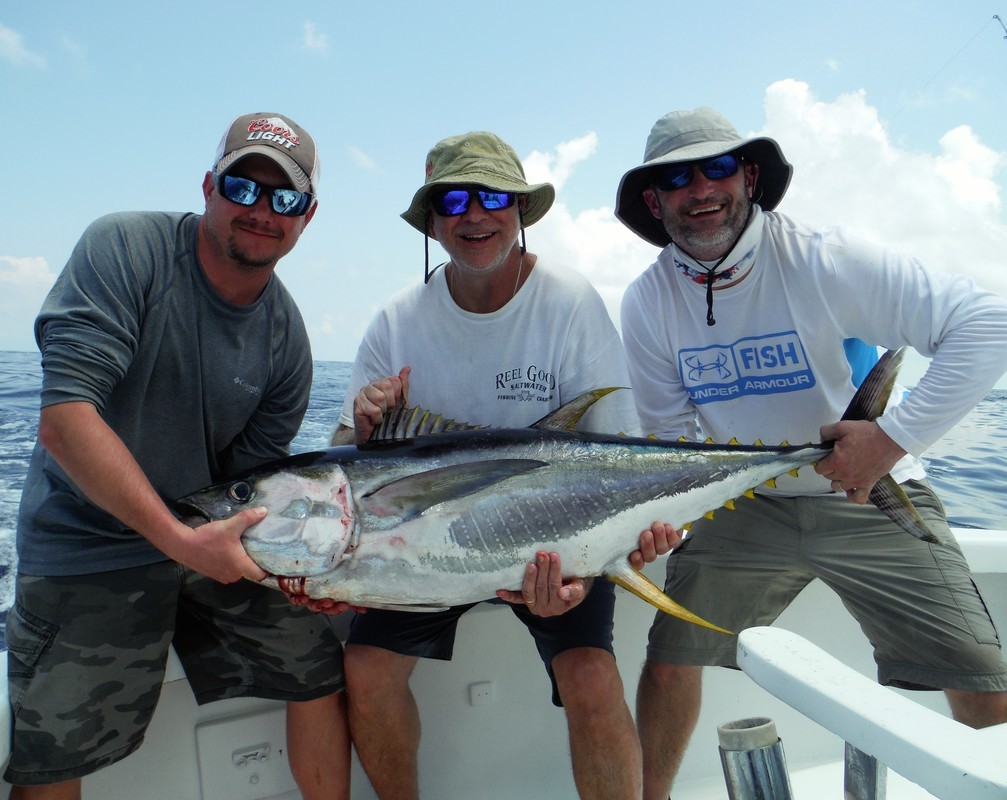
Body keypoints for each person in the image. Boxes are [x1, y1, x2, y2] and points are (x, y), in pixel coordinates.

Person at [614, 106, 1007, 799]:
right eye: (676, 177)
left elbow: (985, 322)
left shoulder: (826, 258)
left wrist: (888, 440)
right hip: (742, 502)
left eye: (716, 168)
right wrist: (661, 520)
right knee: (671, 658)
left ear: (750, 176)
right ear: (653, 199)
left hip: (867, 492)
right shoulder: (646, 302)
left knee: (978, 670)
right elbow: (674, 438)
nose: (699, 188)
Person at [7, 113, 350, 800]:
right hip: (88, 544)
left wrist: (307, 565)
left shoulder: (287, 343)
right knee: (56, 753)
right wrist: (179, 542)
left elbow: (246, 488)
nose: (260, 210)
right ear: (208, 186)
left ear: (306, 217)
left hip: (203, 536)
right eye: (241, 187)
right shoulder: (124, 248)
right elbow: (64, 421)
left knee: (317, 666)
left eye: (282, 198)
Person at [335, 131, 646, 799]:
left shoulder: (569, 303)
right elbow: (343, 460)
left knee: (590, 674)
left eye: (492, 196)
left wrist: (583, 572)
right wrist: (358, 423)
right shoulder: (396, 321)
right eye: (452, 199)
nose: (473, 214)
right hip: (423, 547)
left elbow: (616, 456)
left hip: (550, 538)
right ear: (432, 221)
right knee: (364, 667)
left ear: (520, 210)